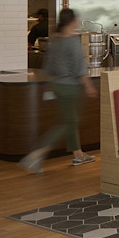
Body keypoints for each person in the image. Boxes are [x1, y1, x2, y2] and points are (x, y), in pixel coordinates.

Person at [19, 9, 98, 173]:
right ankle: (35, 155)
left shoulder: (55, 40)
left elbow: (47, 67)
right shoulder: (72, 41)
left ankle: (78, 154)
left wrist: (48, 85)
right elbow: (79, 68)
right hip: (70, 88)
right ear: (72, 21)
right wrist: (89, 86)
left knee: (70, 119)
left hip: (57, 86)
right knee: (66, 123)